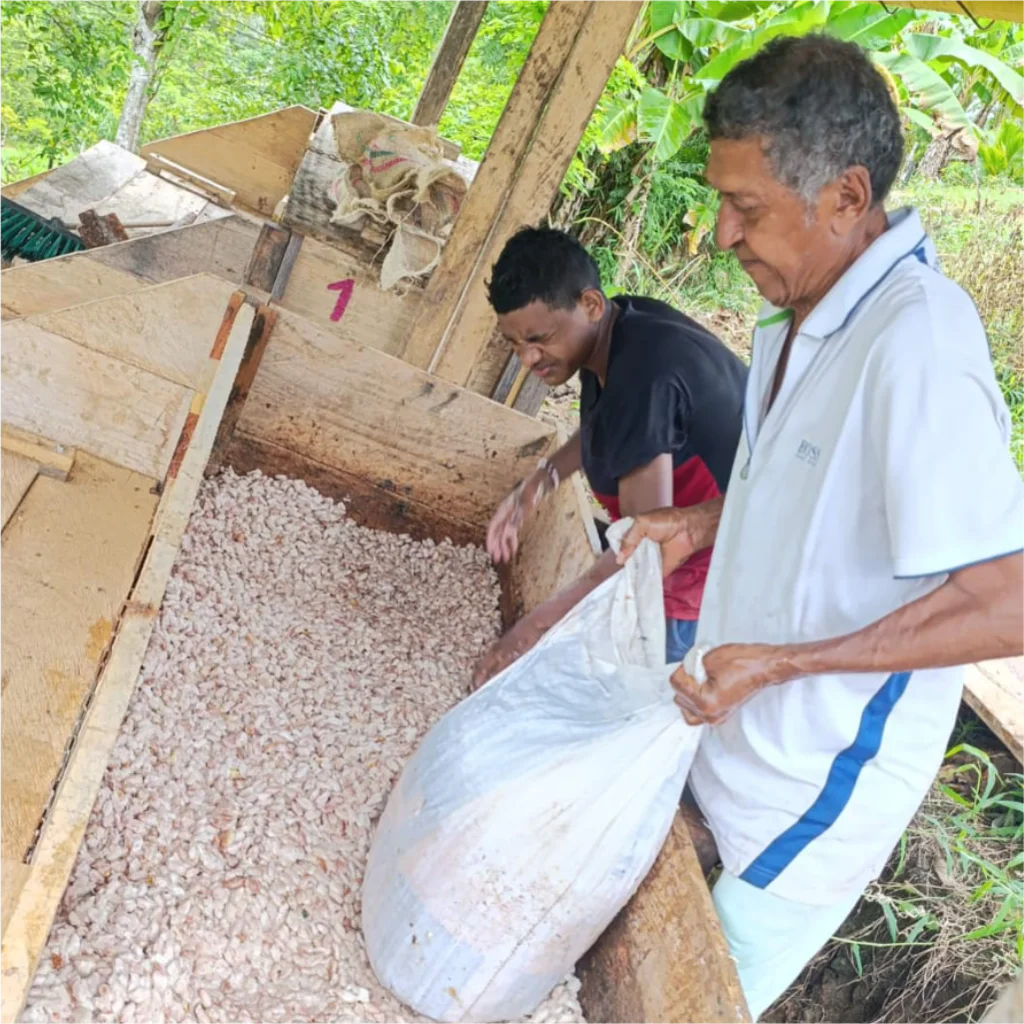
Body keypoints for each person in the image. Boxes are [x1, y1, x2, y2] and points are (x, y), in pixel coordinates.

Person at [616, 34, 1024, 1021]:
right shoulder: (797, 313)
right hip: (722, 735)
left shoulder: (917, 342)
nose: (719, 236)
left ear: (845, 198)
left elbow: (1006, 602)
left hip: (804, 802)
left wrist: (788, 664)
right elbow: (821, 494)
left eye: (744, 208)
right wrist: (702, 519)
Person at [471, 226, 746, 686]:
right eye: (514, 343)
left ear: (591, 305)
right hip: (698, 550)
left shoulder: (644, 376)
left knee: (639, 701)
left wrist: (530, 631)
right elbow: (607, 423)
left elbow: (641, 558)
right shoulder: (628, 326)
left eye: (539, 338)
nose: (526, 358)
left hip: (710, 588)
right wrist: (539, 482)